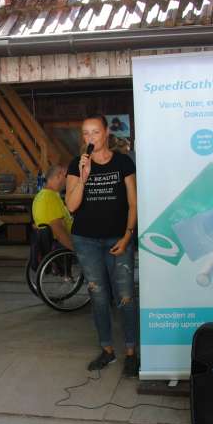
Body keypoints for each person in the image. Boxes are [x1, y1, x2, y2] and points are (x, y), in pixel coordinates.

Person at [65, 115, 139, 376]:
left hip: (118, 238)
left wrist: (127, 237)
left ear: (106, 133)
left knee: (125, 295)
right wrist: (83, 178)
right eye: (86, 133)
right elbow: (71, 206)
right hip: (86, 240)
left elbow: (133, 203)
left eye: (95, 132)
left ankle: (131, 352)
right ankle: (107, 350)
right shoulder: (76, 164)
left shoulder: (123, 162)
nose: (90, 138)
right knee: (98, 296)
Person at [32, 165, 74, 251]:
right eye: (66, 176)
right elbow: (58, 231)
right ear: (59, 176)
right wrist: (76, 250)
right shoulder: (49, 197)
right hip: (61, 246)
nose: (68, 180)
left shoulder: (43, 195)